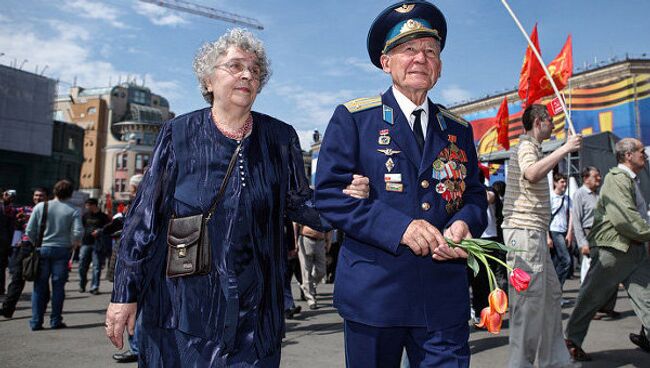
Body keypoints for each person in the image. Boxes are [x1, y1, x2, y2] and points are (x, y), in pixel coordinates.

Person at [104, 28, 369, 367]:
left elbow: (300, 202)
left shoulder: (279, 137)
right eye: (235, 66)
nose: (247, 74)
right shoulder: (178, 133)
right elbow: (143, 218)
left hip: (255, 311)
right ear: (208, 79)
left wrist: (345, 199)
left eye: (255, 70)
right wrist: (124, 294)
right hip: (184, 308)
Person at [314, 2, 488, 366]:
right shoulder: (354, 120)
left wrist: (464, 223)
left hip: (443, 297)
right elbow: (329, 197)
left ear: (439, 66)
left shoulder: (458, 129)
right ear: (385, 62)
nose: (420, 59)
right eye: (408, 50)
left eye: (430, 51)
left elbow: (473, 195)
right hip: (376, 296)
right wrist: (401, 228)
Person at [501, 104, 582, 368]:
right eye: (551, 121)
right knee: (529, 302)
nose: (554, 125)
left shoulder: (531, 147)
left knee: (549, 297)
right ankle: (520, 364)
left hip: (531, 231)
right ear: (539, 122)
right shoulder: (527, 146)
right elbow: (532, 173)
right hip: (523, 232)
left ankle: (555, 360)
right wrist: (565, 148)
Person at [565, 138, 650, 360]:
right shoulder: (617, 179)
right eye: (642, 151)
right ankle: (571, 340)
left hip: (634, 250)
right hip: (614, 250)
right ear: (628, 155)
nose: (645, 155)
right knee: (591, 296)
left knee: (647, 298)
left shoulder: (630, 180)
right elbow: (625, 219)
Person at [25, 179, 82, 330]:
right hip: (62, 250)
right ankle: (55, 320)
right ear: (70, 194)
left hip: (42, 249)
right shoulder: (73, 210)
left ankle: (36, 321)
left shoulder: (41, 206)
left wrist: (36, 243)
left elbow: (29, 231)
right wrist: (72, 244)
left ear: (54, 191)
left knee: (39, 287)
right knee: (58, 287)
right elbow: (78, 232)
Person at [572, 167, 620, 321]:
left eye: (599, 175)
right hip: (589, 235)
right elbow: (577, 221)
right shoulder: (580, 194)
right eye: (596, 176)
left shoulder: (598, 195)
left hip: (603, 236)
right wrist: (582, 243)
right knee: (596, 275)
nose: (599, 178)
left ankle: (607, 308)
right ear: (586, 178)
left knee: (612, 270)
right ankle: (590, 309)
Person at [109, 174, 143, 363]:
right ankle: (137, 346)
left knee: (134, 306)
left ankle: (136, 347)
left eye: (131, 187)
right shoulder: (139, 203)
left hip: (137, 265)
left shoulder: (143, 203)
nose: (129, 190)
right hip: (136, 263)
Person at [1, 188, 47, 318]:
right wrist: (5, 201)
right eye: (36, 195)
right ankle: (7, 309)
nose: (38, 198)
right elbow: (8, 211)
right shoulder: (26, 210)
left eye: (41, 196)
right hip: (26, 246)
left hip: (44, 246)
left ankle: (41, 309)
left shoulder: (50, 211)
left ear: (47, 197)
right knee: (17, 278)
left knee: (41, 280)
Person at [548, 173, 574, 301]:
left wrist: (569, 233)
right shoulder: (550, 198)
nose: (564, 184)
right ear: (555, 183)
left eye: (565, 182)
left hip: (564, 232)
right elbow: (545, 218)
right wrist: (547, 237)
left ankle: (555, 294)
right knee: (566, 260)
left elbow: (571, 217)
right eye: (562, 182)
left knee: (557, 262)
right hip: (554, 231)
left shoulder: (568, 199)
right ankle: (555, 291)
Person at [294, 223, 330, 310]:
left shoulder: (323, 210)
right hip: (306, 238)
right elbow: (295, 224)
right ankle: (311, 300)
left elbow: (329, 226)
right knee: (306, 270)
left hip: (320, 241)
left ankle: (307, 286)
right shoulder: (304, 209)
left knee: (321, 271)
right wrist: (295, 241)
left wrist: (328, 241)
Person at [78, 198, 111, 294]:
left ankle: (94, 287)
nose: (86, 207)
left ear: (94, 205)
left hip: (98, 244)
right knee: (82, 265)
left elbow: (108, 229)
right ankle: (82, 283)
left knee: (96, 267)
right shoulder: (85, 216)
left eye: (88, 205)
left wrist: (99, 231)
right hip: (86, 243)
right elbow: (82, 227)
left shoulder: (103, 217)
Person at [0, 189, 17, 295]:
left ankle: (1, 289)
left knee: (2, 266)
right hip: (4, 241)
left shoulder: (10, 209)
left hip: (4, 242)